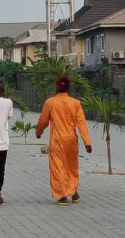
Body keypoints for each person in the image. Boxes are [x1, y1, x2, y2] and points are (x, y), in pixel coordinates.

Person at [35, 76, 92, 205]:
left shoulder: (50, 102)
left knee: (58, 166)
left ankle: (62, 196)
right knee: (71, 166)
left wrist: (38, 132)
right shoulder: (75, 103)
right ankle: (74, 193)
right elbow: (81, 123)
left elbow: (43, 121)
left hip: (57, 140)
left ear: (56, 87)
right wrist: (87, 142)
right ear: (69, 88)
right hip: (71, 140)